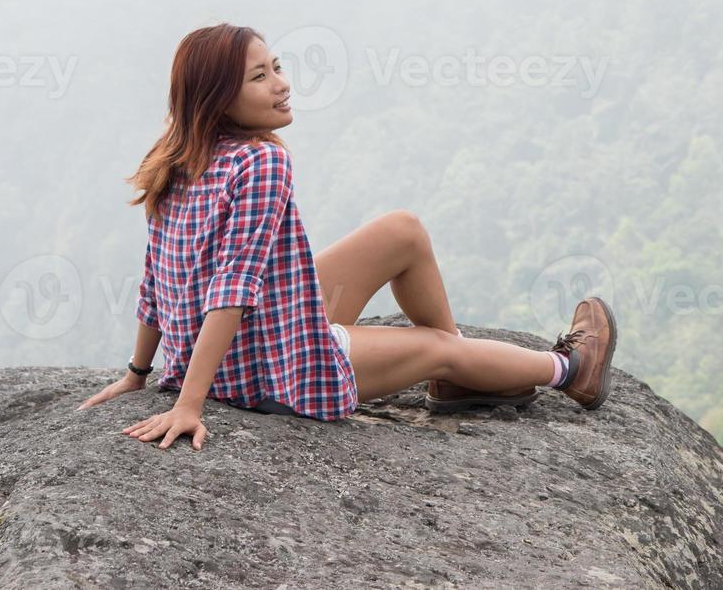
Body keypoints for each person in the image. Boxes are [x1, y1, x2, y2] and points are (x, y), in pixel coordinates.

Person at [76, 22, 617, 451]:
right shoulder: (260, 161)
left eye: (277, 67)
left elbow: (156, 281)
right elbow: (231, 288)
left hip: (228, 349)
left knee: (402, 231)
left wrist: (139, 374)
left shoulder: (172, 159)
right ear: (217, 97)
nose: (282, 84)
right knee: (437, 347)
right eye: (258, 77)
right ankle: (567, 371)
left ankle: (462, 379)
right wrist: (189, 405)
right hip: (272, 372)